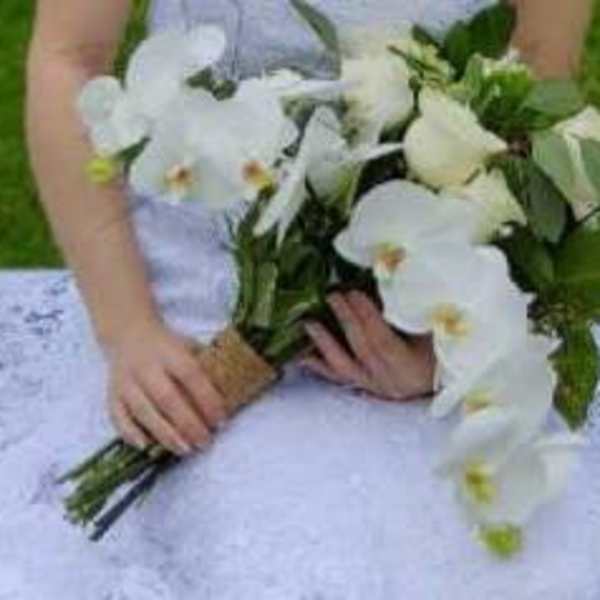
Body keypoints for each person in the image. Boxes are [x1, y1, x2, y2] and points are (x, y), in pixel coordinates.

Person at [0, 0, 595, 597]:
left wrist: (451, 347)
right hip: (196, 312)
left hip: (416, 295)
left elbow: (536, 81)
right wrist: (130, 330)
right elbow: (70, 60)